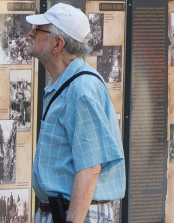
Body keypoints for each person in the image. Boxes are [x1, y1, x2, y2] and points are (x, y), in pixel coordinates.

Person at [25, 3, 125, 223]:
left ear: (57, 44)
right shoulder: (67, 83)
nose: (30, 33)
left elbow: (90, 168)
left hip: (78, 215)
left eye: (38, 29)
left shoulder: (81, 90)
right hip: (62, 212)